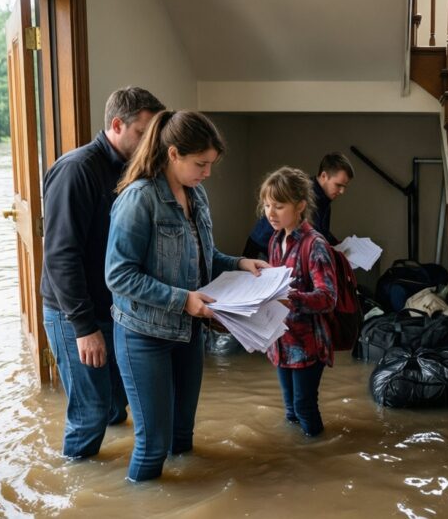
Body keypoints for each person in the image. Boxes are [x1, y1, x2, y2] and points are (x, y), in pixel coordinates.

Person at [105, 110, 268, 481]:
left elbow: (201, 256)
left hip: (188, 334)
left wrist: (242, 263)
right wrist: (184, 300)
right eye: (201, 164)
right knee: (152, 445)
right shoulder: (138, 199)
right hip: (143, 336)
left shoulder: (197, 194)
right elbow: (118, 275)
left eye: (211, 164)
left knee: (182, 436)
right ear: (173, 153)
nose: (207, 173)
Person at [40, 86, 165, 458]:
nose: (150, 144)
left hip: (113, 309)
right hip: (74, 312)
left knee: (115, 404)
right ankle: (78, 483)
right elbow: (60, 254)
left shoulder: (132, 169)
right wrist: (84, 328)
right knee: (90, 412)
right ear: (116, 125)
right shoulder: (77, 170)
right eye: (143, 134)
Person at [260, 166, 339, 437]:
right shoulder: (274, 240)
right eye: (267, 205)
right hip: (281, 341)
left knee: (304, 407)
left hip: (307, 346)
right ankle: (296, 463)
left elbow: (328, 297)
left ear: (301, 205)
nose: (270, 213)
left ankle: (316, 460)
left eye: (279, 206)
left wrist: (290, 299)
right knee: (290, 409)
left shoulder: (315, 244)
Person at [242, 152, 354, 259]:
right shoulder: (305, 194)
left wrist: (338, 244)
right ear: (324, 176)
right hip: (262, 248)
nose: (342, 191)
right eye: (338, 185)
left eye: (345, 186)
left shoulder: (325, 197)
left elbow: (320, 232)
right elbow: (308, 237)